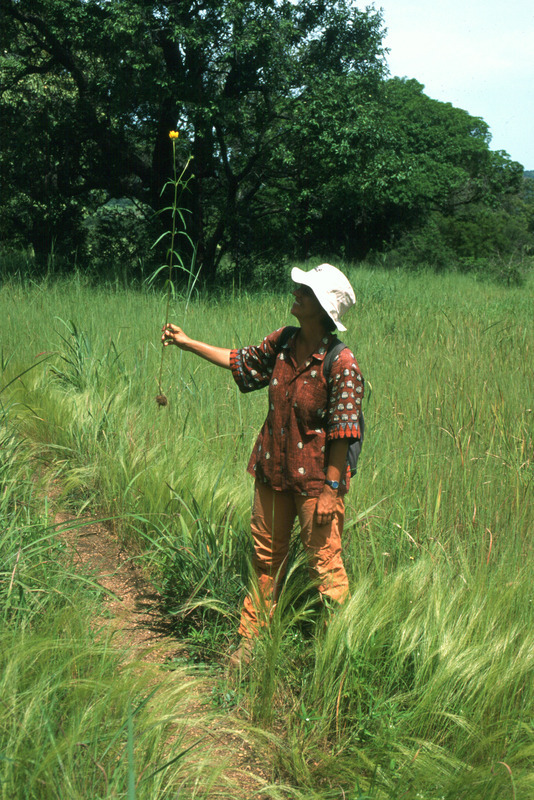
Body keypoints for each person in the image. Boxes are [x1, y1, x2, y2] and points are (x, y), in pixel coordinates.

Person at [161, 263, 364, 666]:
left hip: (315, 487)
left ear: (322, 308)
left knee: (324, 570)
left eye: (304, 290)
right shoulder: (284, 343)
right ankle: (250, 643)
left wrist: (331, 491)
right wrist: (188, 343)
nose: (296, 293)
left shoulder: (341, 365)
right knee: (265, 561)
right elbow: (241, 361)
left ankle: (335, 656)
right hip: (273, 472)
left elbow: (344, 433)